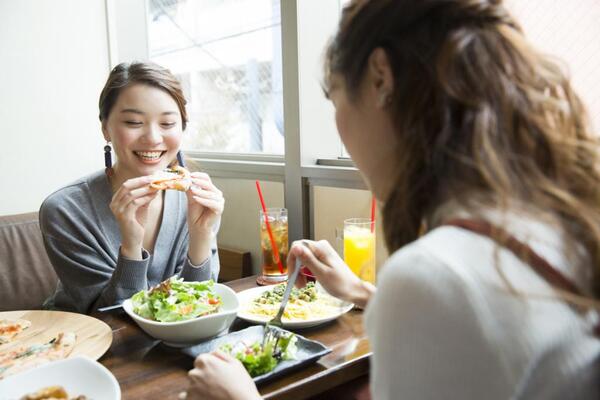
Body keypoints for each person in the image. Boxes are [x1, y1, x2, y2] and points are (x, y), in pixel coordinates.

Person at [187, 0, 600, 399]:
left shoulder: (433, 276)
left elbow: (457, 303)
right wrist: (362, 292)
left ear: (380, 77)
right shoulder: (562, 214)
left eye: (334, 97)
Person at [40, 61, 224, 314]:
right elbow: (107, 317)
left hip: (172, 343)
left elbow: (199, 306)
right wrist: (131, 246)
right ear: (106, 128)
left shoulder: (196, 199)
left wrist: (202, 234)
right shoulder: (66, 210)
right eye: (134, 122)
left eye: (168, 124)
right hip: (86, 342)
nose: (152, 138)